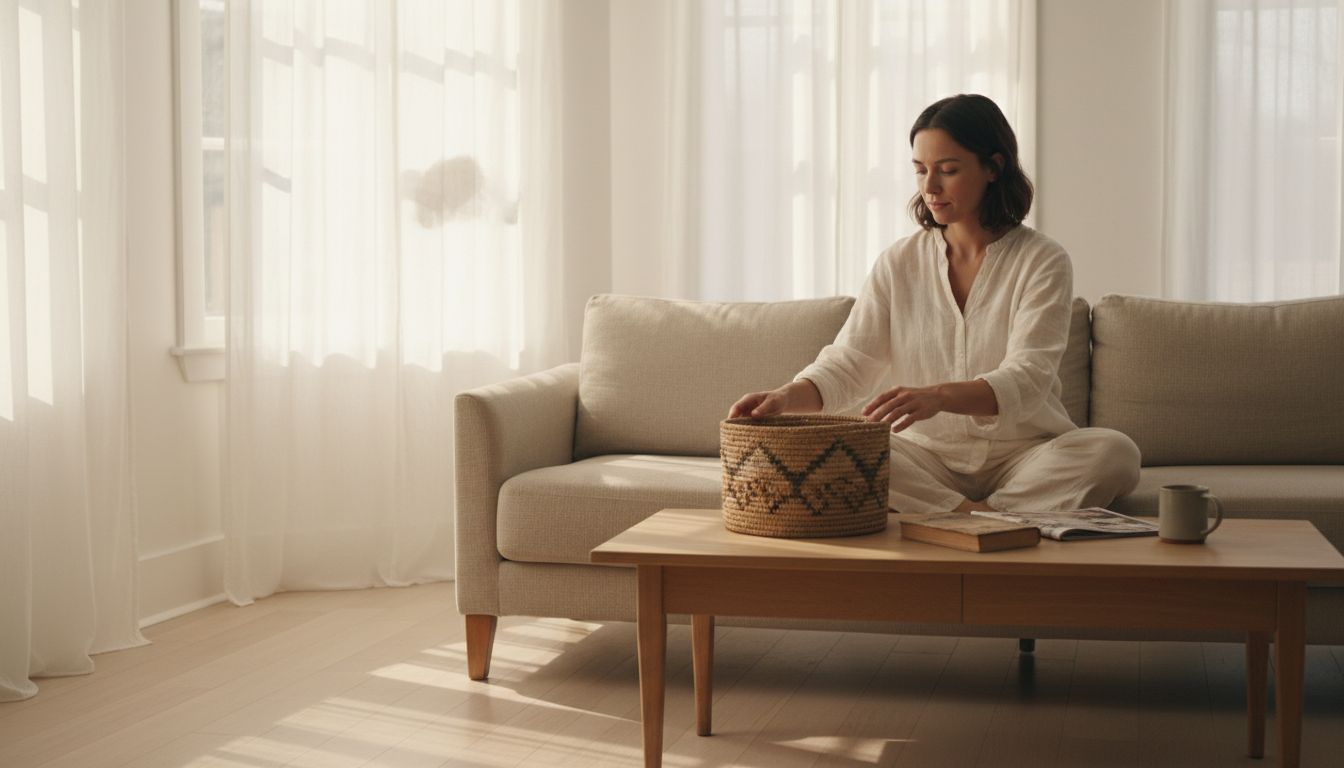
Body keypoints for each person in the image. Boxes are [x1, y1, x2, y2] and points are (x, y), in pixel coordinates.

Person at [728, 94, 1140, 515]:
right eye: (921, 170)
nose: (929, 188)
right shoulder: (899, 262)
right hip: (924, 457)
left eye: (948, 170)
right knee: (833, 448)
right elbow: (849, 362)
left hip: (1025, 455)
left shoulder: (1042, 259)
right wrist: (784, 397)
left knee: (1115, 452)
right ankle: (983, 519)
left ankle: (962, 518)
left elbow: (1030, 375)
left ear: (993, 167)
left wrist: (939, 396)